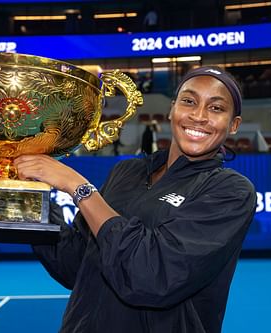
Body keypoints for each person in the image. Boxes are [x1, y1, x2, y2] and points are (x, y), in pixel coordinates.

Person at [13, 66, 256, 333]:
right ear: (172, 109)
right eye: (189, 101)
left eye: (216, 108)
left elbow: (150, 277)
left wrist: (79, 187)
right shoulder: (126, 172)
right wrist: (34, 199)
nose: (199, 116)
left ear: (233, 125)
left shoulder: (229, 191)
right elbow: (74, 266)